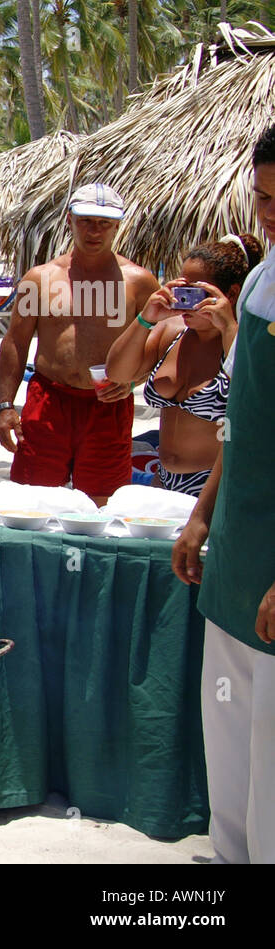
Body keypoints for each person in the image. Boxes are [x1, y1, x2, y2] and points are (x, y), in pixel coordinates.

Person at [173, 123, 275, 864]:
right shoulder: (267, 275)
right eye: (265, 199)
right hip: (236, 547)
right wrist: (201, 515)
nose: (270, 213)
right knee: (232, 739)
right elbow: (241, 420)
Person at [0, 183, 159, 506]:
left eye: (103, 223)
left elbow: (158, 345)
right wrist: (5, 405)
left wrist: (132, 383)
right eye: (86, 221)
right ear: (69, 220)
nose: (94, 231)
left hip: (108, 405)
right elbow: (15, 342)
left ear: (117, 226)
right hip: (49, 400)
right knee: (31, 502)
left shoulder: (138, 281)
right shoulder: (40, 279)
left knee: (103, 505)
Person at [105, 234, 259, 495]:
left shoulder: (242, 339)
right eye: (181, 290)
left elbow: (253, 392)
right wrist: (146, 318)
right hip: (164, 481)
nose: (185, 301)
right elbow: (116, 372)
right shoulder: (172, 332)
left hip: (217, 486)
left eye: (196, 292)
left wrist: (228, 325)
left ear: (231, 293)